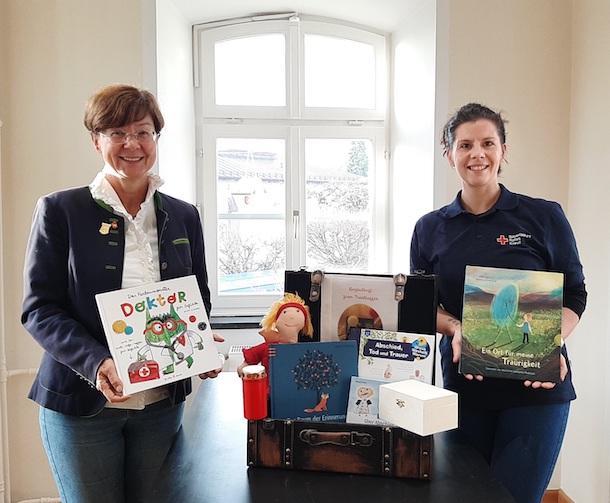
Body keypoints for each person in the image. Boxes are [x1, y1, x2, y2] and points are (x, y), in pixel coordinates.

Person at [21, 84, 223, 503]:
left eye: (143, 132)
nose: (132, 144)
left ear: (156, 138)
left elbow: (197, 296)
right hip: (82, 406)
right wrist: (97, 362)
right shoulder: (60, 210)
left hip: (161, 406)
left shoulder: (184, 215)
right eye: (117, 132)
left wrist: (198, 341)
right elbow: (39, 309)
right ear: (96, 140)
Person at [410, 103, 587, 503]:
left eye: (488, 143)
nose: (477, 154)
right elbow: (423, 305)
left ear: (503, 150)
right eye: (465, 145)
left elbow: (575, 293)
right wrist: (456, 328)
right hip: (464, 389)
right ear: (449, 154)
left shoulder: (543, 216)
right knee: (464, 497)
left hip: (536, 389)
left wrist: (550, 341)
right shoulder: (429, 229)